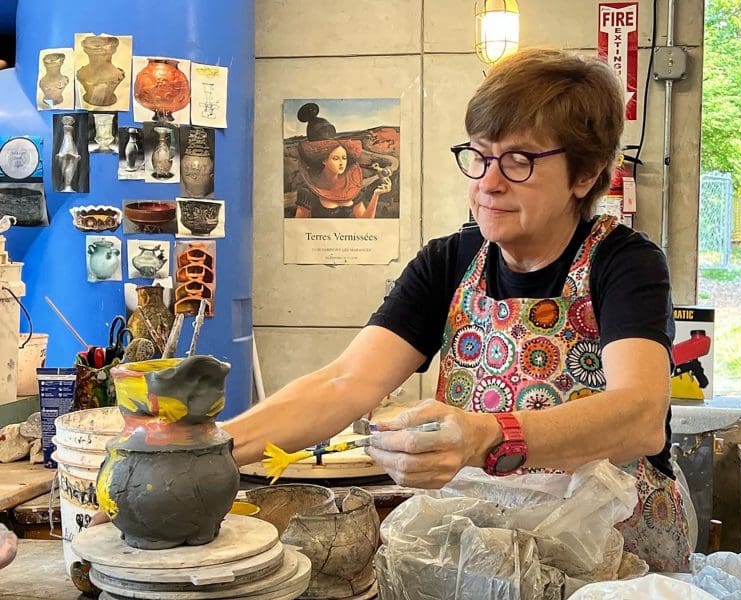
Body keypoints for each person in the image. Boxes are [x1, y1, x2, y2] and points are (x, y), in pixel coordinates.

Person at [225, 47, 691, 573]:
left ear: (584, 175)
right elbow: (344, 383)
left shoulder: (624, 262)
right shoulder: (450, 261)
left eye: (519, 161)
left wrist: (490, 435)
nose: (488, 182)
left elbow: (640, 415)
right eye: (481, 155)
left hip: (612, 560)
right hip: (485, 553)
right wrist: (213, 448)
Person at [292, 102, 391, 218]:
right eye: (335, 158)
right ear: (324, 160)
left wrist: (376, 195)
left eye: (344, 158)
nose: (341, 163)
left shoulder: (351, 185)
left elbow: (365, 220)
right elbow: (298, 227)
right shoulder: (307, 191)